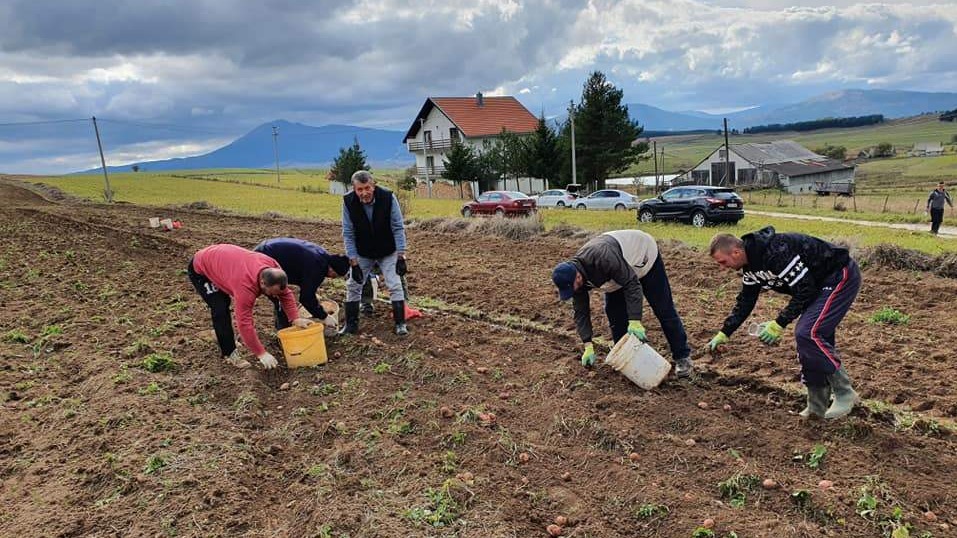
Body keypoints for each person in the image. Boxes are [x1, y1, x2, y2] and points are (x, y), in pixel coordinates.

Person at [707, 227, 861, 420]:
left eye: (723, 262)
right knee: (809, 341)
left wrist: (779, 323)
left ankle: (845, 393)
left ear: (736, 252)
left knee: (807, 334)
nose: (723, 267)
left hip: (837, 275)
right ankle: (817, 406)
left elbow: (804, 289)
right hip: (815, 286)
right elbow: (746, 300)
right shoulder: (751, 268)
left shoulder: (775, 253)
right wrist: (725, 332)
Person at [551, 229, 693, 377]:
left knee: (663, 308)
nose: (572, 292)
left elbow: (632, 284)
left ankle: (682, 356)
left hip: (643, 257)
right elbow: (581, 312)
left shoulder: (603, 258)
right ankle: (629, 360)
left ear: (578, 277)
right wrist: (587, 344)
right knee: (614, 314)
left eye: (571, 288)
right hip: (619, 271)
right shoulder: (575, 279)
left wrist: (635, 320)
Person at [187, 244, 313, 369]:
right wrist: (261, 353)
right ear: (262, 283)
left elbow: (285, 294)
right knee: (220, 307)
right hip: (202, 267)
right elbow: (244, 323)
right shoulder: (245, 288)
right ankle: (230, 353)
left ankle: (226, 336)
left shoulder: (273, 267)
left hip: (224, 262)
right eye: (271, 292)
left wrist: (295, 318)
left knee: (276, 297)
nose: (274, 295)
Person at [340, 170, 409, 336]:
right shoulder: (348, 202)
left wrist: (401, 255)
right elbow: (348, 233)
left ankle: (400, 324)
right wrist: (353, 261)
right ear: (354, 189)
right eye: (359, 189)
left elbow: (398, 227)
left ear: (373, 185)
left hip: (387, 250)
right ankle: (351, 325)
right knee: (353, 284)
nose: (364, 193)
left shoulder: (388, 198)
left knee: (394, 284)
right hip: (363, 251)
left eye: (367, 188)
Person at [253, 237, 351, 329]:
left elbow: (308, 289)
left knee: (283, 296)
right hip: (265, 256)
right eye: (335, 276)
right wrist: (324, 316)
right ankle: (283, 331)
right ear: (331, 269)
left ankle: (284, 326)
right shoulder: (317, 267)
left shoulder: (323, 257)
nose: (333, 278)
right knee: (280, 296)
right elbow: (306, 298)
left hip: (268, 247)